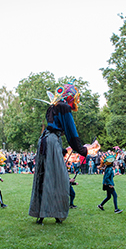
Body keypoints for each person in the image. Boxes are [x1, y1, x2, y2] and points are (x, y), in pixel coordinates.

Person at [29, 80, 99, 224]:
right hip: (52, 141)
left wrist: (62, 149)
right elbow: (70, 130)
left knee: (44, 177)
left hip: (44, 140)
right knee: (58, 178)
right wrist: (82, 150)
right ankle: (56, 214)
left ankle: (41, 214)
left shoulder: (52, 106)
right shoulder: (63, 107)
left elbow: (52, 126)